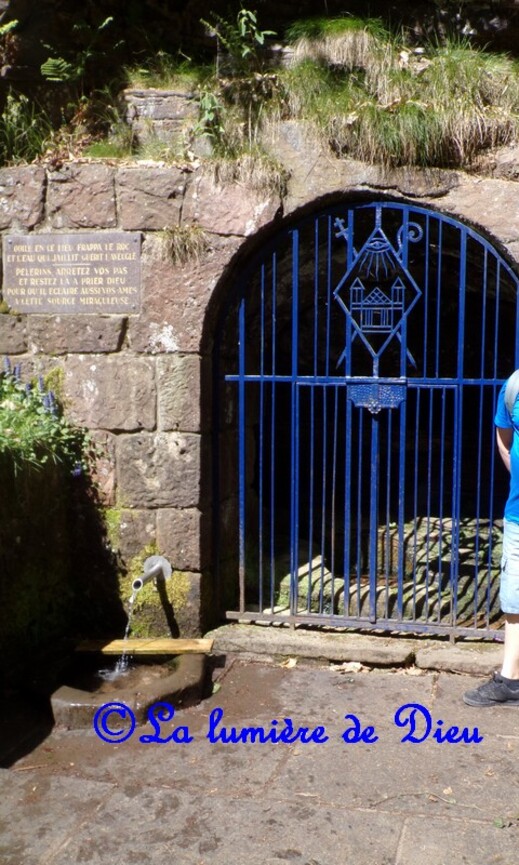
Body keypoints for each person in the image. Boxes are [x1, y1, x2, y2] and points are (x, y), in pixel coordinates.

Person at [464, 373, 519, 706]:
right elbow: (504, 438)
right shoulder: (514, 387)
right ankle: (510, 679)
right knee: (515, 598)